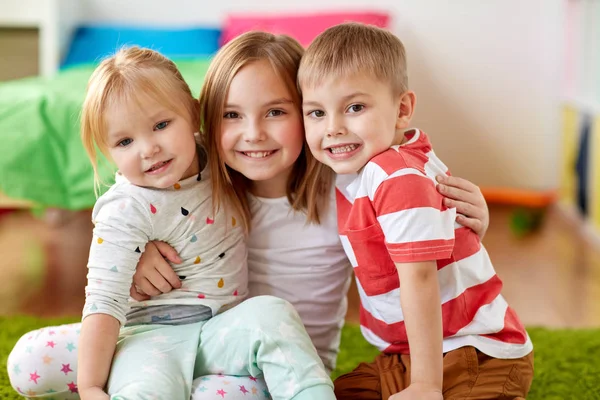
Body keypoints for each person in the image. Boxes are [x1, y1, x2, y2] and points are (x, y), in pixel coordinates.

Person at [7, 32, 490, 400]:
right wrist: (139, 251)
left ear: (309, 111)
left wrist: (471, 215)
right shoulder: (203, 181)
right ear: (207, 120)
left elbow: (410, 217)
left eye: (276, 112)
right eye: (232, 116)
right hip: (167, 335)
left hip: (270, 367)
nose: (253, 133)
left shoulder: (344, 187)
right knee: (27, 360)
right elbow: (134, 189)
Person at [297, 22, 534, 400]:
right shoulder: (365, 170)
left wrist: (426, 385)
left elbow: (420, 280)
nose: (334, 128)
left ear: (402, 109)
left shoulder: (394, 175)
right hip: (410, 352)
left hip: (476, 350)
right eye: (316, 113)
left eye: (354, 107)